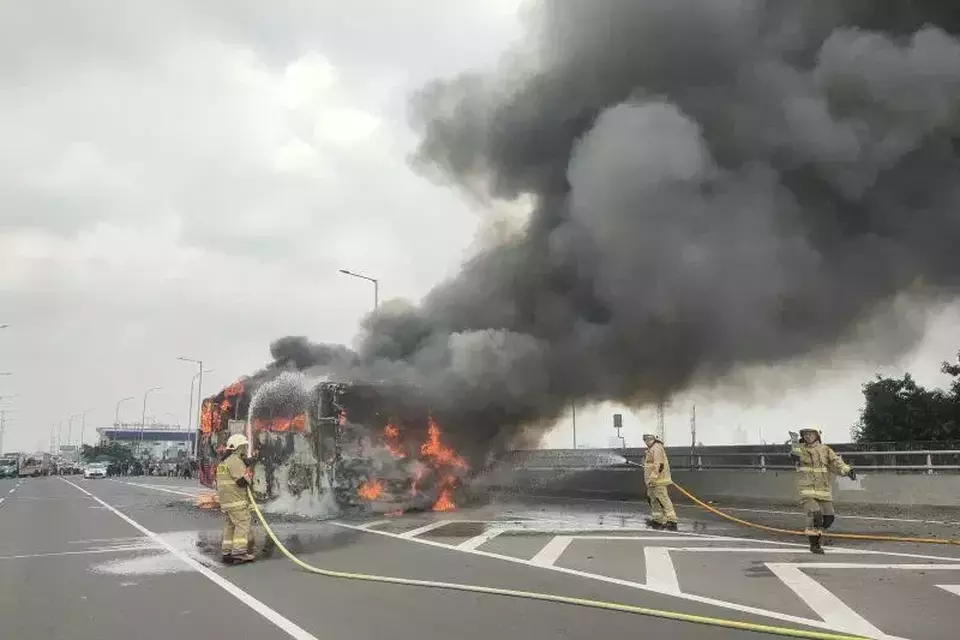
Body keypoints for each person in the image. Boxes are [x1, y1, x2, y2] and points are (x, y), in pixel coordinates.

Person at [790, 427, 856, 554]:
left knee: (829, 518)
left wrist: (848, 470)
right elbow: (795, 455)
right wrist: (794, 442)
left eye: (811, 434)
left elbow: (836, 463)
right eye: (805, 434)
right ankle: (814, 544)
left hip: (823, 490)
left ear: (817, 435)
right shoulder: (800, 449)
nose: (808, 436)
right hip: (807, 490)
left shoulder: (825, 449)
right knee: (815, 514)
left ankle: (817, 531)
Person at [216, 433, 256, 564]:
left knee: (230, 526)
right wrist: (249, 473)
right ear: (238, 447)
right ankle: (239, 552)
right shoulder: (234, 460)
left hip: (226, 502)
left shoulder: (224, 462)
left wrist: (247, 463)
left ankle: (226, 551)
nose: (245, 450)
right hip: (236, 501)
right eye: (244, 447)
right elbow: (241, 482)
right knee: (242, 525)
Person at [642, 433, 678, 531]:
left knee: (663, 499)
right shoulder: (650, 449)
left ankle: (672, 520)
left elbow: (659, 465)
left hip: (658, 480)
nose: (646, 441)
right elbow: (651, 464)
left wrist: (653, 478)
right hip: (651, 481)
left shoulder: (657, 448)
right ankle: (658, 519)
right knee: (653, 499)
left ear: (654, 439)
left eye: (649, 439)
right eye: (645, 439)